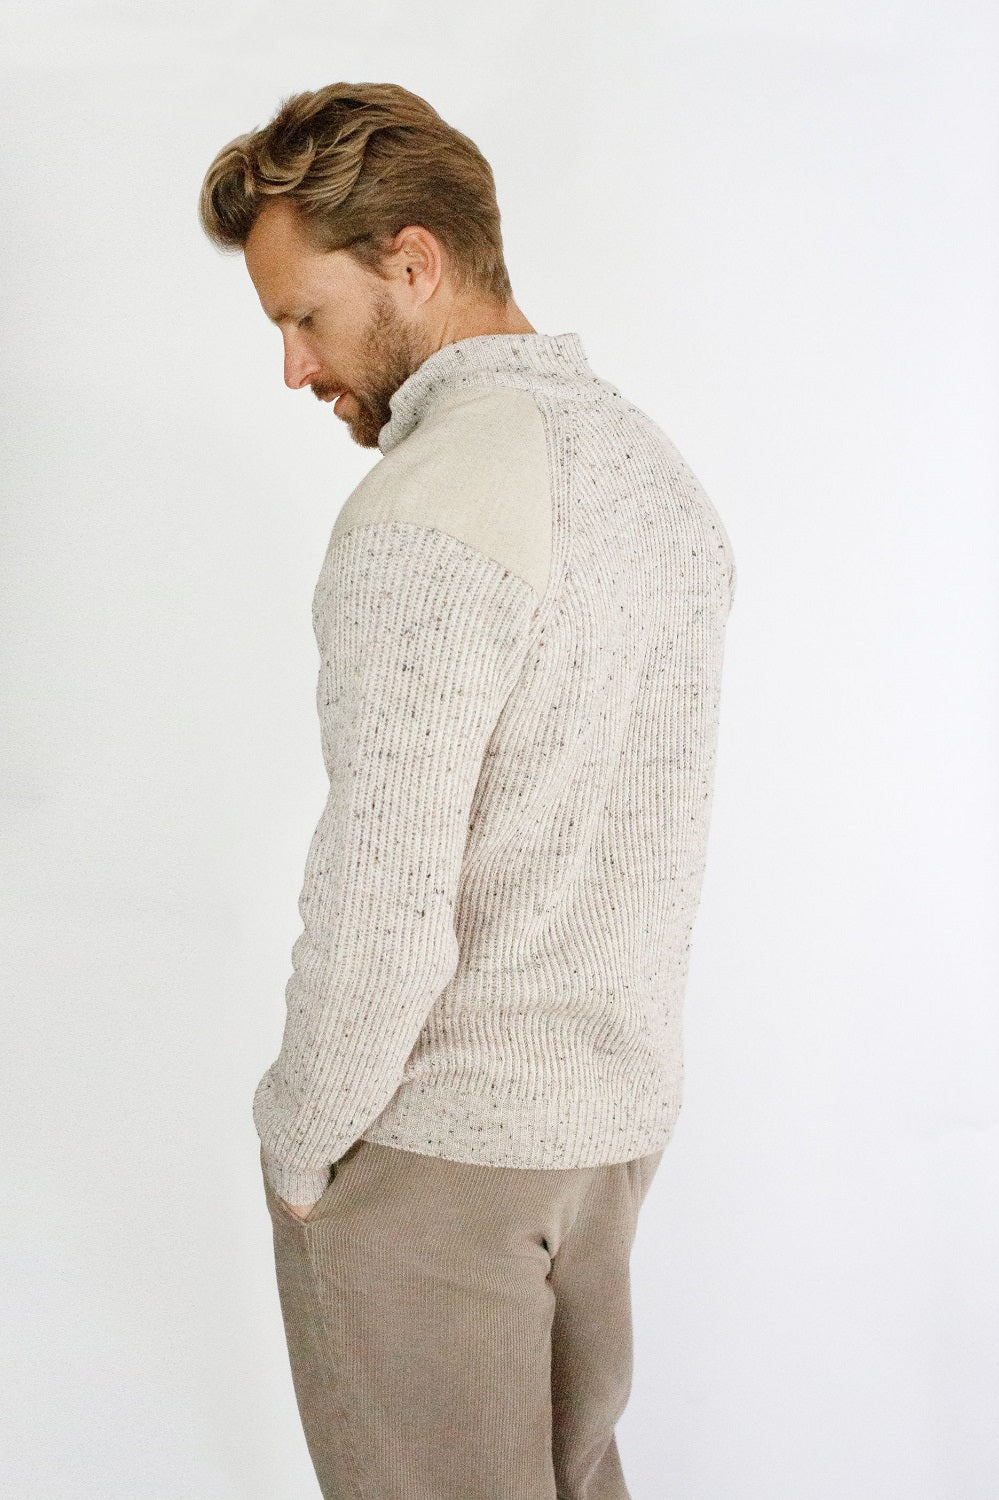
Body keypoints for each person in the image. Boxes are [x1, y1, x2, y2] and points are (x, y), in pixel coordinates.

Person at [199, 80, 737, 1500]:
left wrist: (299, 1147)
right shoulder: (656, 480)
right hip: (604, 1145)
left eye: (304, 317)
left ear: (413, 261)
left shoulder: (427, 506)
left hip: (432, 1160)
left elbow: (385, 900)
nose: (296, 369)